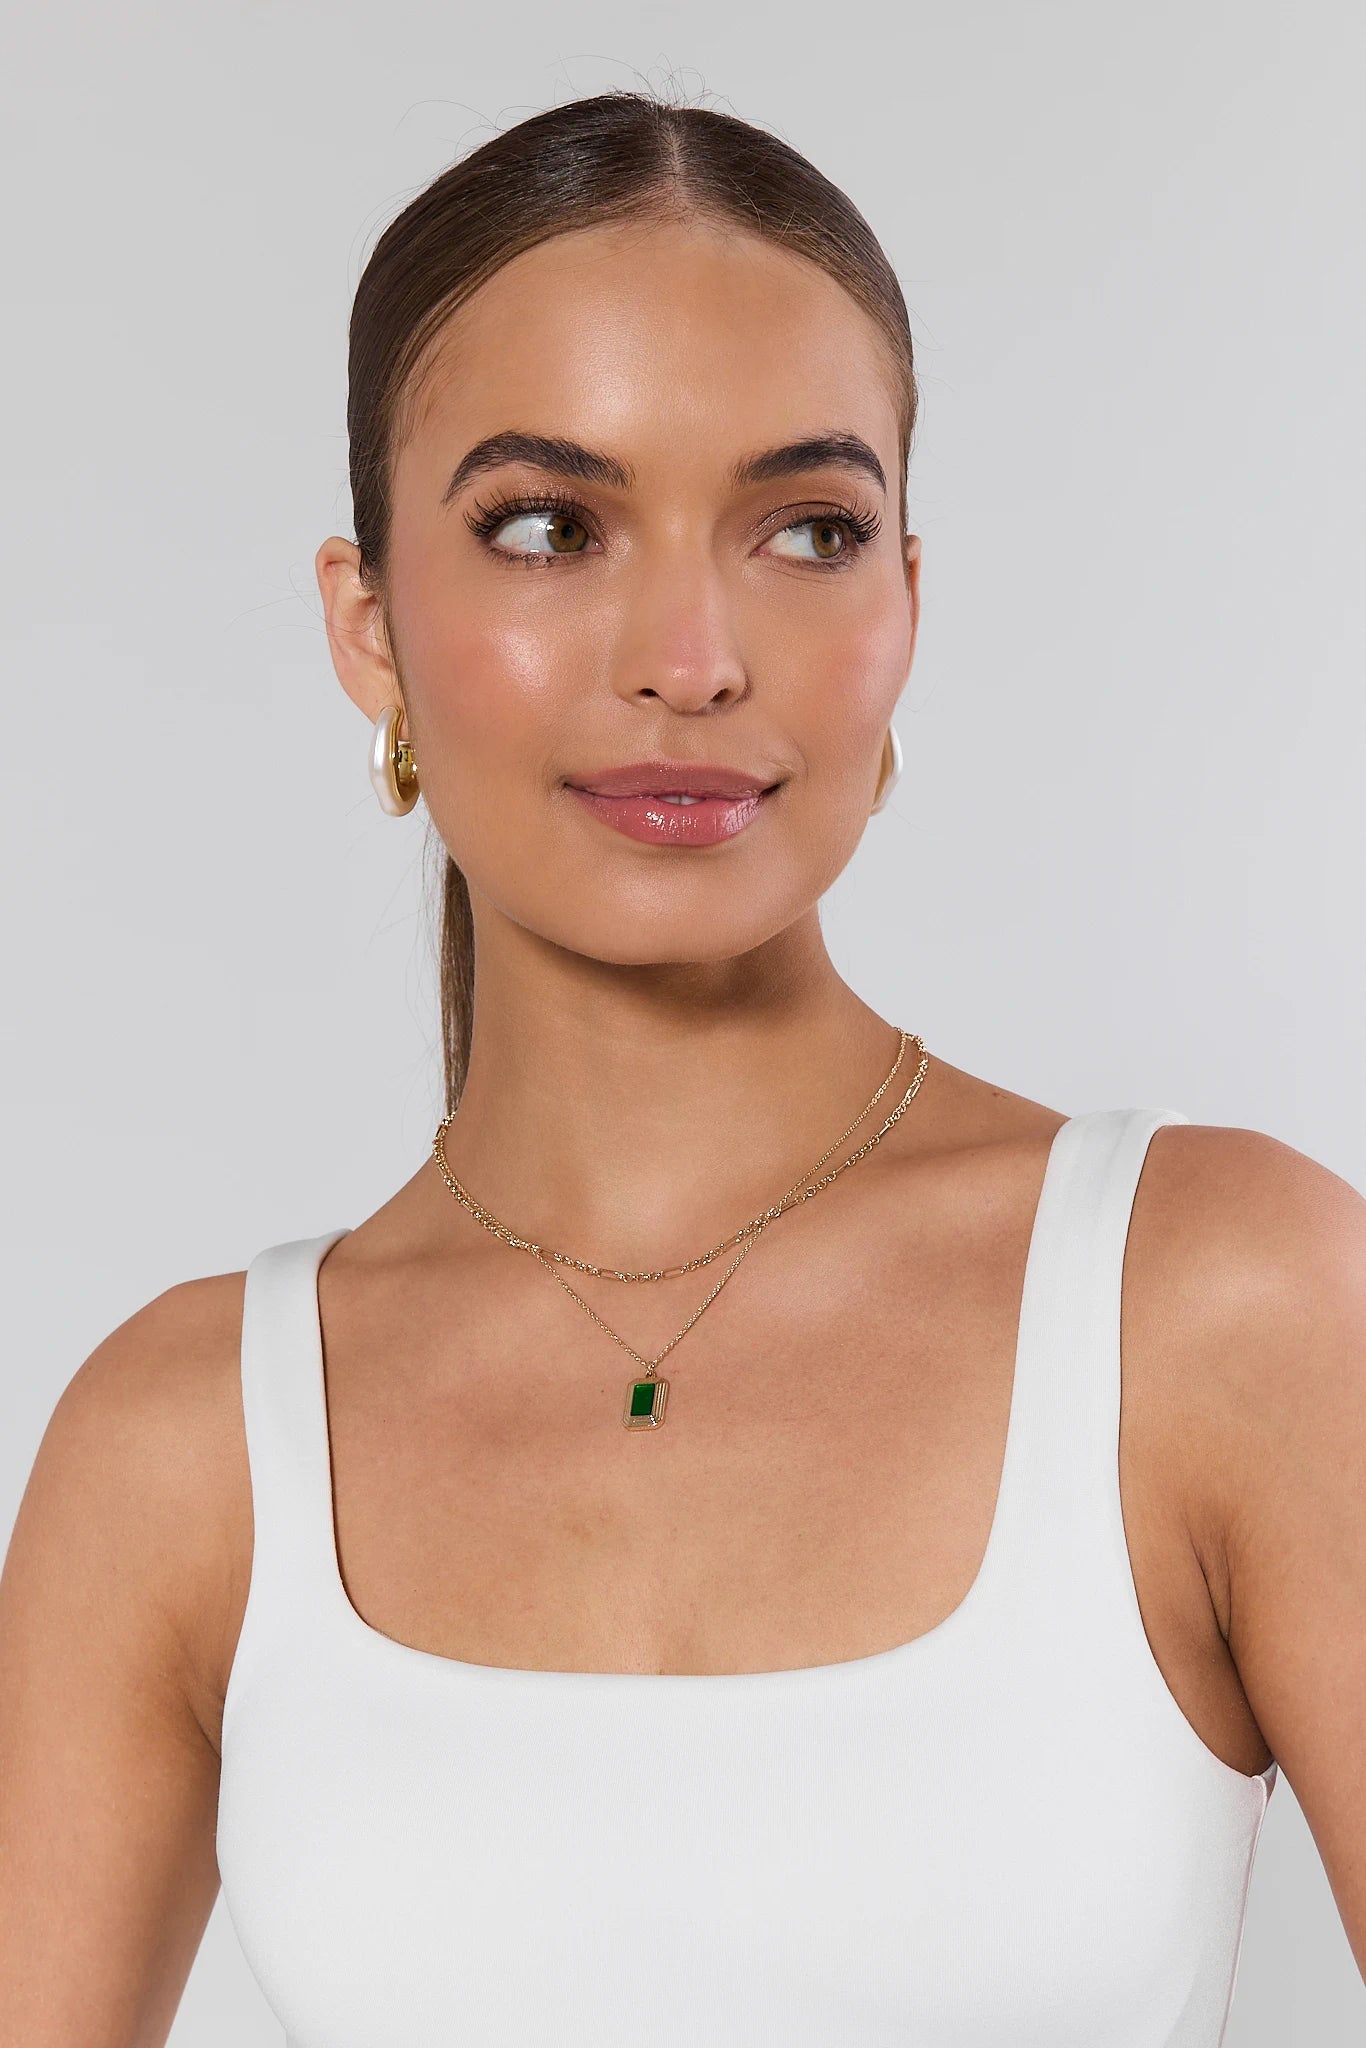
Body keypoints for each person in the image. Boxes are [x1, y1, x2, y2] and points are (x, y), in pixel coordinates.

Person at [1, 87, 1362, 2048]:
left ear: (904, 603)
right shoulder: (177, 1449)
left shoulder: (1224, 1302)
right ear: (368, 628)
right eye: (547, 526)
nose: (690, 652)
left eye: (807, 528)